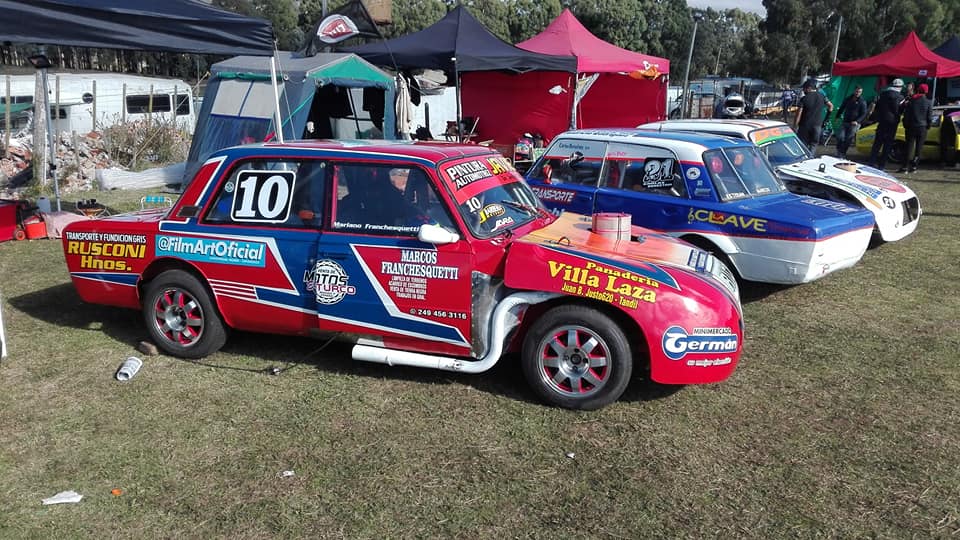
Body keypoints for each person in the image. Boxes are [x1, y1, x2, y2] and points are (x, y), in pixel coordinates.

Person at [868, 78, 905, 169]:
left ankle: (872, 161)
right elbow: (899, 110)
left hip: (882, 120)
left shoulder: (883, 94)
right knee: (888, 144)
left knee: (877, 143)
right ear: (899, 87)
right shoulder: (900, 97)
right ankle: (882, 164)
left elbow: (877, 107)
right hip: (892, 123)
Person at [899, 82, 933, 173]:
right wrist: (928, 126)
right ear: (926, 91)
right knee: (919, 148)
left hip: (911, 126)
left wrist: (905, 124)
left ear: (918, 90)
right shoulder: (928, 102)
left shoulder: (912, 101)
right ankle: (914, 166)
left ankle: (904, 167)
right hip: (922, 127)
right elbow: (929, 117)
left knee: (908, 147)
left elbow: (907, 115)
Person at [795, 79, 834, 153]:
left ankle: (805, 158)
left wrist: (795, 126)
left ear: (809, 88)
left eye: (804, 88)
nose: (803, 90)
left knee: (803, 145)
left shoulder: (804, 99)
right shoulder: (822, 96)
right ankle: (811, 157)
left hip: (805, 126)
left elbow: (798, 114)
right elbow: (831, 106)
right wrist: (826, 118)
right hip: (817, 126)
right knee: (813, 144)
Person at [835, 85, 868, 159]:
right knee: (840, 137)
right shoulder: (848, 99)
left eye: (859, 92)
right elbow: (842, 107)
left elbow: (864, 114)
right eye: (857, 91)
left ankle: (843, 153)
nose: (858, 93)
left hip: (854, 124)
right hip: (846, 121)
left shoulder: (862, 101)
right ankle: (839, 150)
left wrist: (857, 121)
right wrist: (837, 116)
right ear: (854, 91)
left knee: (848, 139)